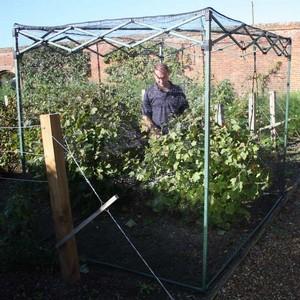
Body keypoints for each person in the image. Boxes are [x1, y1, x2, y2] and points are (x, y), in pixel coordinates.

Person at [141, 63, 188, 136]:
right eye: (158, 78)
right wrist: (155, 131)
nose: (161, 81)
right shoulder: (149, 92)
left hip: (175, 135)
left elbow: (185, 112)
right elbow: (145, 115)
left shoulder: (178, 91)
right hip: (156, 135)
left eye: (164, 77)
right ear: (154, 76)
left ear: (168, 74)